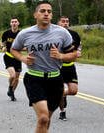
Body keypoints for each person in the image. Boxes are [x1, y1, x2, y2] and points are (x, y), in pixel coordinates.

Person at [10, 1, 77, 132]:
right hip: (34, 79)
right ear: (35, 14)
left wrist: (61, 56)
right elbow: (14, 49)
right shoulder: (25, 33)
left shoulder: (62, 33)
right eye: (42, 11)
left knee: (47, 120)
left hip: (55, 80)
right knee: (43, 118)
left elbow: (74, 54)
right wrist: (23, 58)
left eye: (49, 11)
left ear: (51, 15)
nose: (46, 14)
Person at [57, 16, 81, 121]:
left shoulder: (74, 34)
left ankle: (58, 94)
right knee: (60, 89)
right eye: (63, 21)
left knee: (73, 90)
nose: (65, 23)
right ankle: (62, 112)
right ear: (58, 23)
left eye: (67, 21)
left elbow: (79, 46)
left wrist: (79, 51)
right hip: (57, 67)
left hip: (70, 67)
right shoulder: (54, 35)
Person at [0, 17, 21, 101]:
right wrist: (2, 47)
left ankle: (12, 92)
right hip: (8, 56)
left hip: (18, 57)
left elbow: (25, 44)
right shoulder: (6, 33)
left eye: (15, 21)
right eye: (12, 22)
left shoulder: (21, 34)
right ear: (10, 24)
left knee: (17, 78)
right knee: (13, 75)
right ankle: (10, 87)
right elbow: (1, 41)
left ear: (18, 23)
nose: (14, 23)